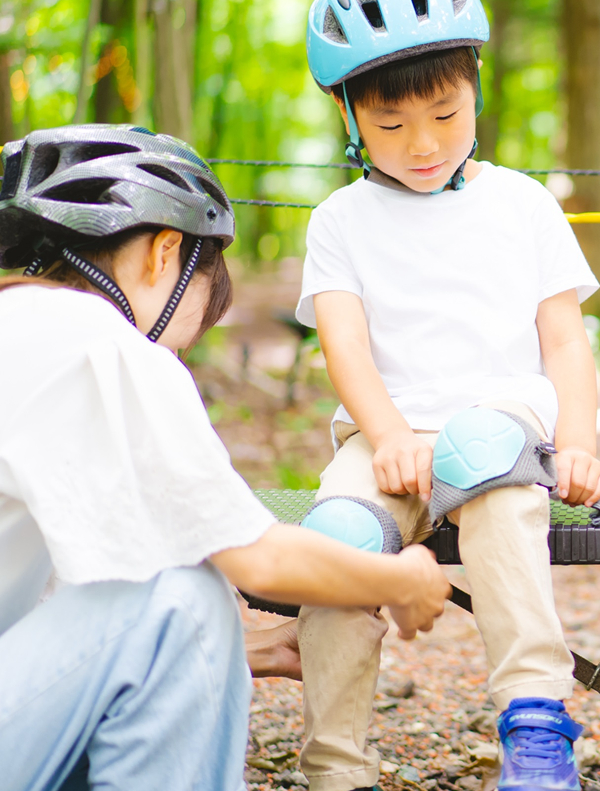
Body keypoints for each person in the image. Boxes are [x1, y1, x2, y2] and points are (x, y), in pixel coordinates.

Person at [0, 124, 453, 791]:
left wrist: (254, 650)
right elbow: (255, 558)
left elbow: (68, 606)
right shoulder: (106, 344)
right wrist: (405, 580)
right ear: (164, 253)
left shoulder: (24, 327)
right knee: (187, 599)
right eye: (192, 328)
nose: (176, 354)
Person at [297, 0, 600, 791]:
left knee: (486, 463)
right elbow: (346, 346)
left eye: (446, 112)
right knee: (340, 543)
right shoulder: (340, 219)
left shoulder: (524, 203)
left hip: (499, 420)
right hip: (386, 434)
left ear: (477, 87)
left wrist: (577, 441)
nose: (424, 143)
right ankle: (335, 765)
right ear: (349, 115)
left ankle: (536, 720)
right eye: (393, 126)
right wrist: (389, 432)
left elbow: (564, 339)